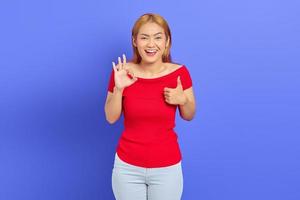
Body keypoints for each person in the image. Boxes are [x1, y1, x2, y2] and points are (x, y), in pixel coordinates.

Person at [104, 13, 196, 200]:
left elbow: (189, 115)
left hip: (167, 167)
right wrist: (119, 89)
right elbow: (111, 117)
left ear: (167, 41)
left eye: (158, 37)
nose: (151, 44)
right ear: (135, 41)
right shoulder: (122, 73)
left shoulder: (179, 73)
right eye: (144, 37)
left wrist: (183, 100)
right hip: (127, 168)